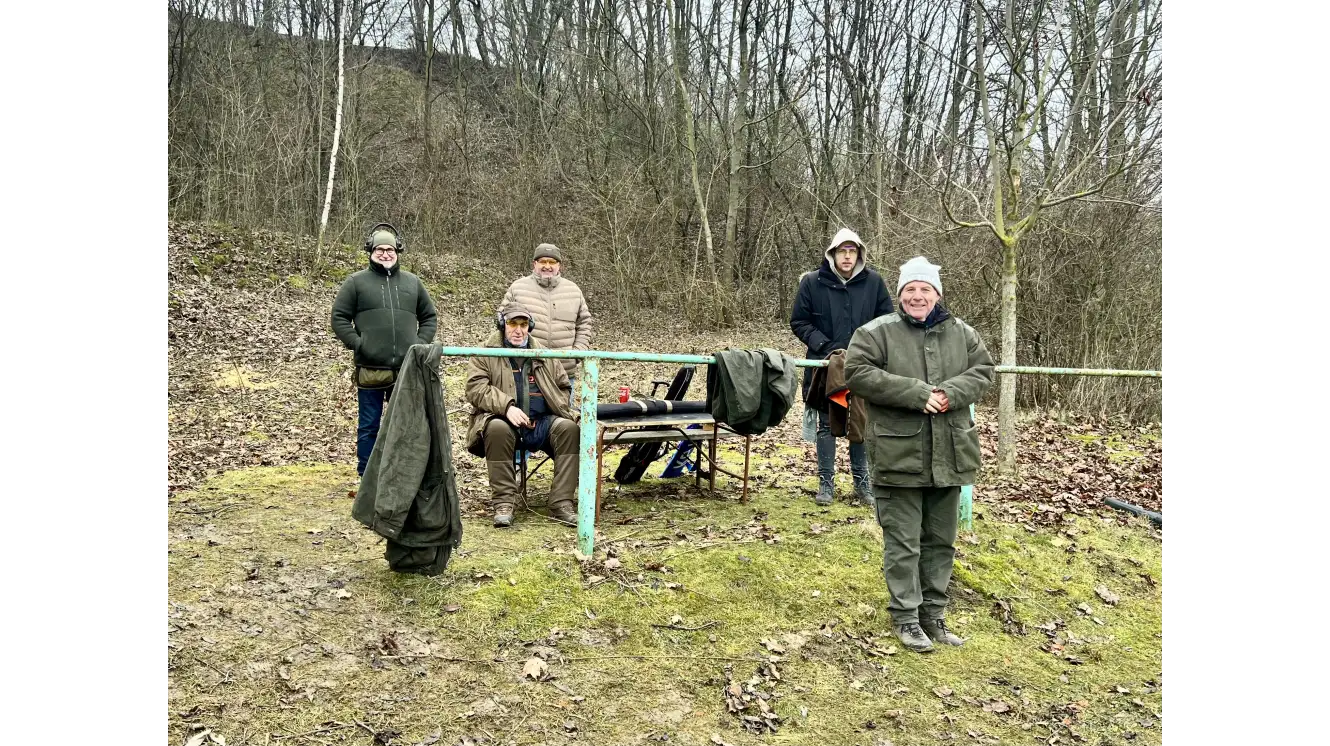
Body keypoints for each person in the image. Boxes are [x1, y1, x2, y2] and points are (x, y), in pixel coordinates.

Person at [845, 256, 995, 653]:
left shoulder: (963, 334)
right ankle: (906, 618)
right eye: (910, 289)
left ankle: (933, 615)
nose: (917, 296)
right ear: (899, 295)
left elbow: (983, 370)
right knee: (903, 542)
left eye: (924, 289)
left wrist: (950, 394)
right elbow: (857, 373)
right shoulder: (875, 333)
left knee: (941, 541)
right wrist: (916, 393)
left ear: (937, 294)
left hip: (951, 453)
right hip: (899, 454)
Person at [789, 227, 895, 506]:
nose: (847, 256)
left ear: (859, 254)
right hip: (825, 364)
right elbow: (799, 321)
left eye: (852, 251)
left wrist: (867, 349)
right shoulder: (812, 282)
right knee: (827, 422)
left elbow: (886, 321)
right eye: (842, 251)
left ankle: (862, 484)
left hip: (864, 364)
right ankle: (826, 483)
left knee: (860, 422)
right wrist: (825, 346)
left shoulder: (874, 283)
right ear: (832, 254)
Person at [331, 223, 438, 477]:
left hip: (406, 369)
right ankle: (366, 476)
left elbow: (429, 317)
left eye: (390, 249)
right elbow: (339, 318)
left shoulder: (413, 282)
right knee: (369, 426)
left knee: (406, 425)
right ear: (370, 251)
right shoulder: (355, 282)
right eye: (379, 249)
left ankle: (402, 475)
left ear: (397, 251)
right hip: (370, 369)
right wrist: (359, 344)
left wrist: (418, 345)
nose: (385, 254)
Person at [464, 303, 580, 528]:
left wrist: (556, 404)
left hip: (541, 423)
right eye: (512, 324)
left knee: (569, 429)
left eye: (524, 324)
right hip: (503, 422)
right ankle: (504, 503)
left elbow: (564, 386)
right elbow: (475, 388)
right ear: (502, 325)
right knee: (496, 429)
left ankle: (561, 503)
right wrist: (507, 407)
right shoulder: (485, 353)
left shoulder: (544, 353)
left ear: (530, 326)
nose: (518, 330)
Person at [500, 243, 594, 391]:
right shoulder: (518, 288)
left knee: (563, 407)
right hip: (527, 370)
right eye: (543, 261)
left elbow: (585, 324)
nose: (547, 266)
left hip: (563, 372)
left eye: (552, 262)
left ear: (559, 265)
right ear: (534, 263)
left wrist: (577, 353)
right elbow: (502, 320)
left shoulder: (574, 291)